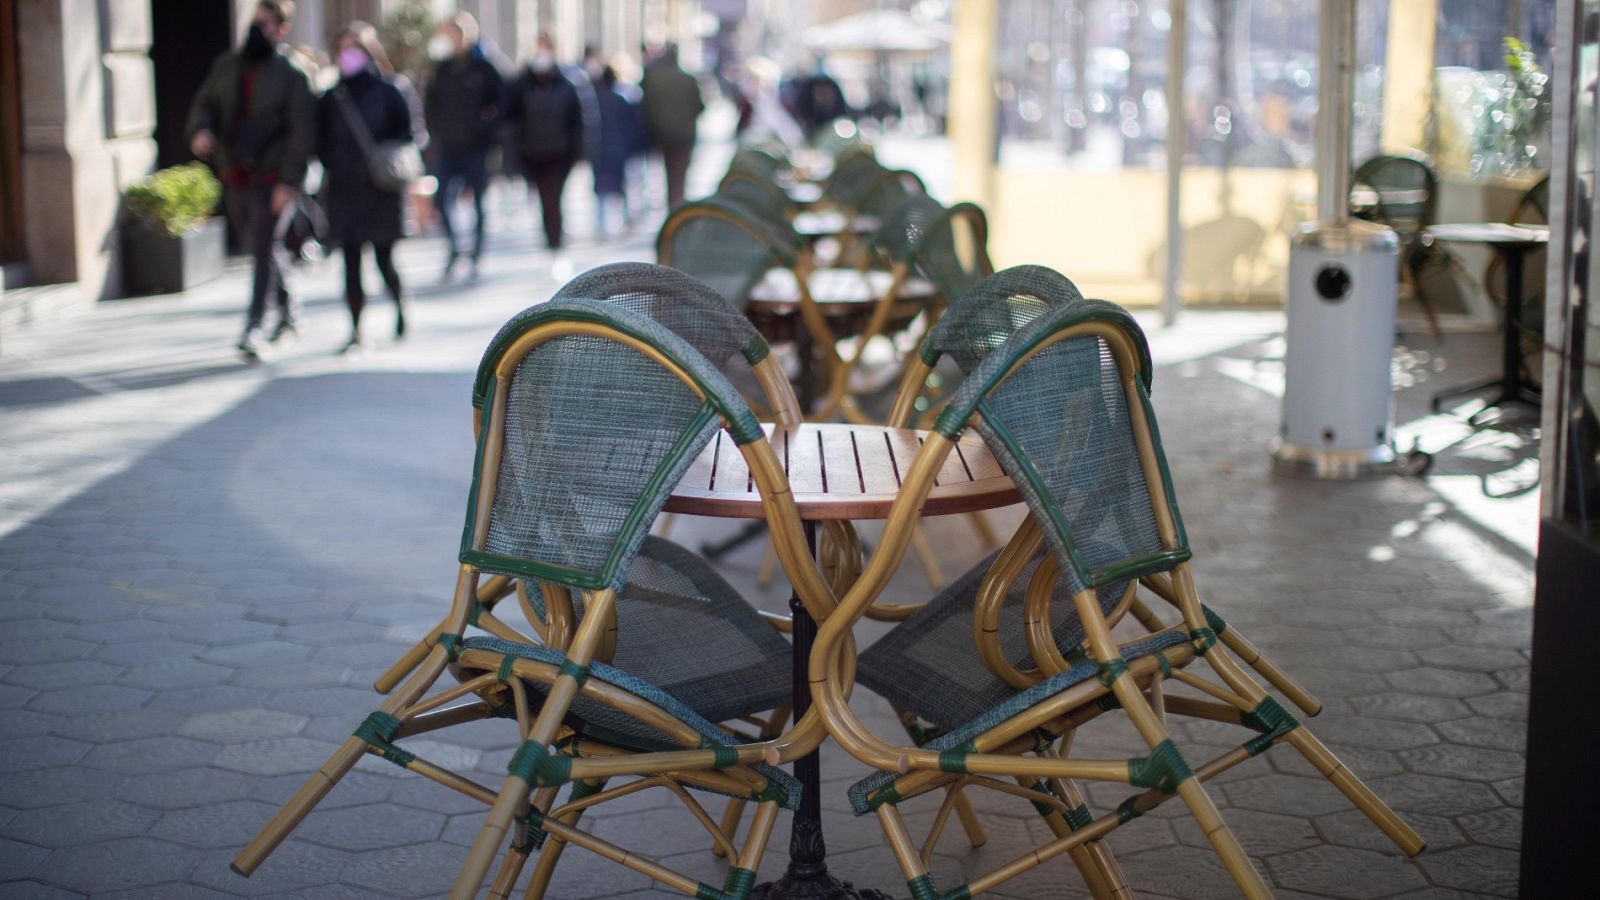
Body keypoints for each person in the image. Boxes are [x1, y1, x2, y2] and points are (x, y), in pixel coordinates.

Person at [185, 0, 315, 357]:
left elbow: (302, 134)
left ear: (281, 29)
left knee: (261, 250)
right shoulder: (227, 65)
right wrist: (201, 131)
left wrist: (288, 183)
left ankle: (255, 326)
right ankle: (291, 310)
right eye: (255, 21)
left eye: (267, 23)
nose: (258, 29)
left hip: (272, 179)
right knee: (261, 246)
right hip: (235, 173)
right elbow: (205, 104)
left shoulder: (292, 75)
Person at [318, 22, 423, 353]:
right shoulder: (331, 97)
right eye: (342, 49)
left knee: (383, 258)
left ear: (368, 51)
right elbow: (318, 141)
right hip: (344, 190)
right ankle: (356, 329)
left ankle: (399, 305)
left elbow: (410, 134)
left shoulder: (390, 89)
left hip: (380, 189)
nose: (347, 55)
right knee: (350, 262)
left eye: (354, 48)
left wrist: (385, 156)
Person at [424, 13, 503, 281]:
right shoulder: (442, 69)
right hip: (448, 147)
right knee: (441, 200)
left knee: (479, 203)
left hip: (477, 148)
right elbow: (430, 104)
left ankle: (476, 255)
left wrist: (486, 132)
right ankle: (455, 249)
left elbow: (501, 104)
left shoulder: (484, 68)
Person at [505, 34, 585, 251]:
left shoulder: (567, 83)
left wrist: (579, 153)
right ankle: (551, 238)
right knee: (544, 198)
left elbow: (578, 120)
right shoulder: (522, 83)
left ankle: (555, 241)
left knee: (553, 199)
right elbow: (511, 119)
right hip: (532, 154)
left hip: (559, 154)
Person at [639, 43, 704, 209]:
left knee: (667, 171)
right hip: (683, 134)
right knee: (679, 173)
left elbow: (646, 107)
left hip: (662, 133)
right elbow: (700, 106)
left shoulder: (653, 79)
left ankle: (673, 204)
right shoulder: (687, 79)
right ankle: (676, 203)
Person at [590, 63, 644, 237]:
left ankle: (602, 224)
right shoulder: (619, 100)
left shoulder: (596, 100)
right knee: (620, 185)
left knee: (602, 187)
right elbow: (632, 125)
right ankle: (621, 221)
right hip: (618, 147)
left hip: (602, 148)